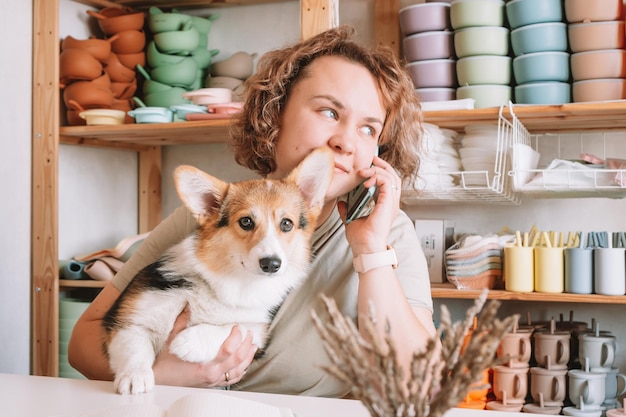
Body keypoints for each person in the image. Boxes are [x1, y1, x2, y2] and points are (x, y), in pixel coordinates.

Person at [68, 25, 436, 398]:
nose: (345, 141)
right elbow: (83, 343)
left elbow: (420, 385)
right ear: (275, 113)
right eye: (328, 112)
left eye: (369, 129)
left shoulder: (388, 232)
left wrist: (371, 251)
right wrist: (163, 374)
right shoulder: (204, 220)